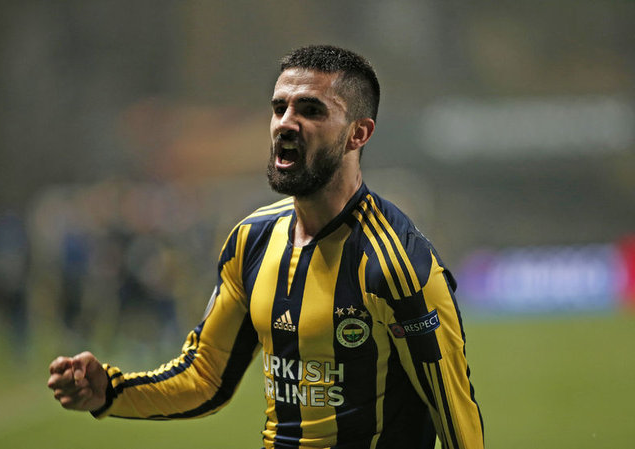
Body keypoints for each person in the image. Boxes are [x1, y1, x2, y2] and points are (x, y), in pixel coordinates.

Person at [48, 44, 484, 449]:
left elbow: (456, 418)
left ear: (358, 134)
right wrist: (110, 391)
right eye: (279, 107)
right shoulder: (251, 241)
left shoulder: (398, 266)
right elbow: (205, 377)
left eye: (310, 110)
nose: (285, 123)